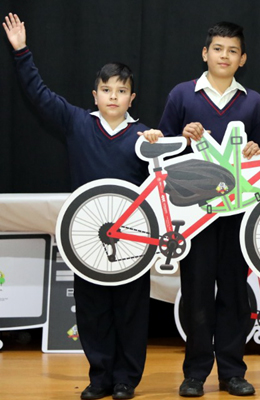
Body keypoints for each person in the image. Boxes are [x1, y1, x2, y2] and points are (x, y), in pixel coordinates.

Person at [4, 13, 164, 400]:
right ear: (95, 95)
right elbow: (39, 95)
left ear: (132, 97)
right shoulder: (77, 123)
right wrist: (22, 51)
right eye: (106, 89)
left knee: (130, 309)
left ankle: (127, 379)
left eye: (121, 90)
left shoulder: (145, 136)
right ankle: (100, 377)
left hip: (132, 240)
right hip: (86, 238)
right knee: (92, 309)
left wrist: (161, 146)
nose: (113, 96)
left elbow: (168, 181)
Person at [158, 21, 260, 397]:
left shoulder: (252, 101)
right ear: (205, 53)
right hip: (195, 215)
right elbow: (162, 153)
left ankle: (233, 371)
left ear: (243, 59)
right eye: (218, 48)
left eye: (232, 50)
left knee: (236, 292)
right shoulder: (182, 95)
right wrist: (179, 139)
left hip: (237, 215)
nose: (224, 55)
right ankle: (195, 373)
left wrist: (257, 150)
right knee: (198, 291)